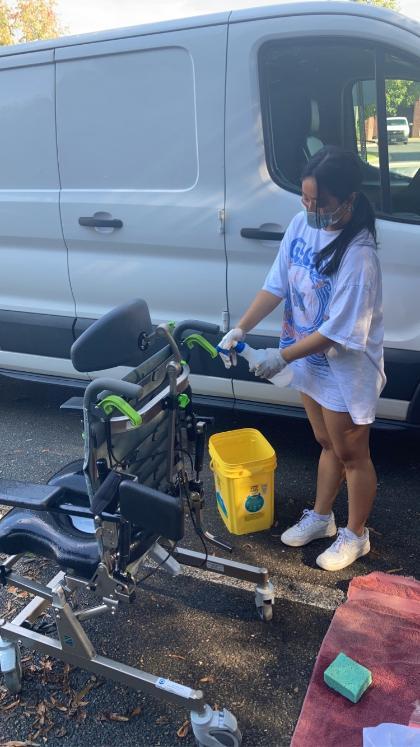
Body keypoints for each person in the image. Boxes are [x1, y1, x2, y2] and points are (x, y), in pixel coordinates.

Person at [219, 145, 386, 572]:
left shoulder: (360, 254)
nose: (310, 209)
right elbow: (275, 285)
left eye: (320, 203)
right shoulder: (299, 224)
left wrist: (280, 355)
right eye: (306, 199)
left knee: (353, 454)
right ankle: (323, 518)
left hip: (345, 368)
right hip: (309, 360)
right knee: (326, 442)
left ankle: (357, 535)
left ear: (347, 200)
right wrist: (241, 328)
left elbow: (337, 330)